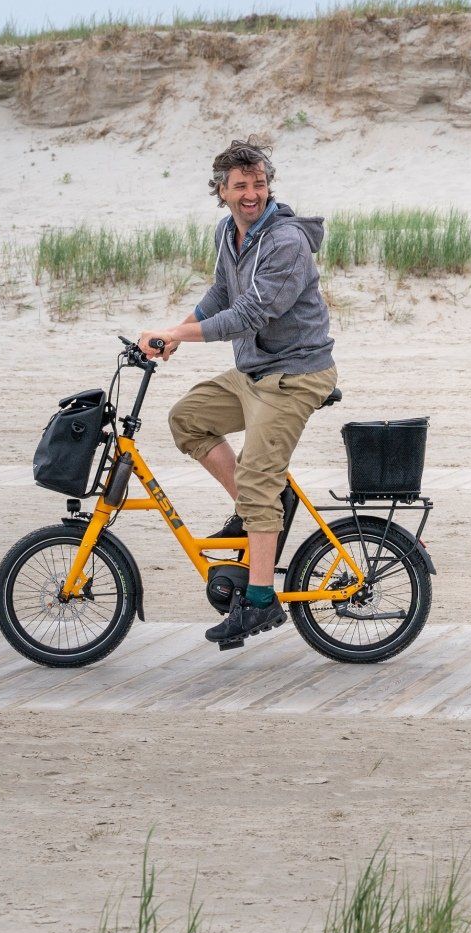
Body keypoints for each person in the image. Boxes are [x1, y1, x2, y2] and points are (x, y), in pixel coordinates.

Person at [136, 137, 338, 645]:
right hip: (253, 373)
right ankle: (260, 509)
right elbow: (223, 294)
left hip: (296, 374)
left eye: (260, 184)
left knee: (257, 478)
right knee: (187, 418)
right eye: (241, 186)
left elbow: (250, 313)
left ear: (269, 187)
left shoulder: (287, 241)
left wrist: (176, 335)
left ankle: (261, 602)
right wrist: (176, 333)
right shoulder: (230, 232)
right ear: (221, 192)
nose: (252, 194)